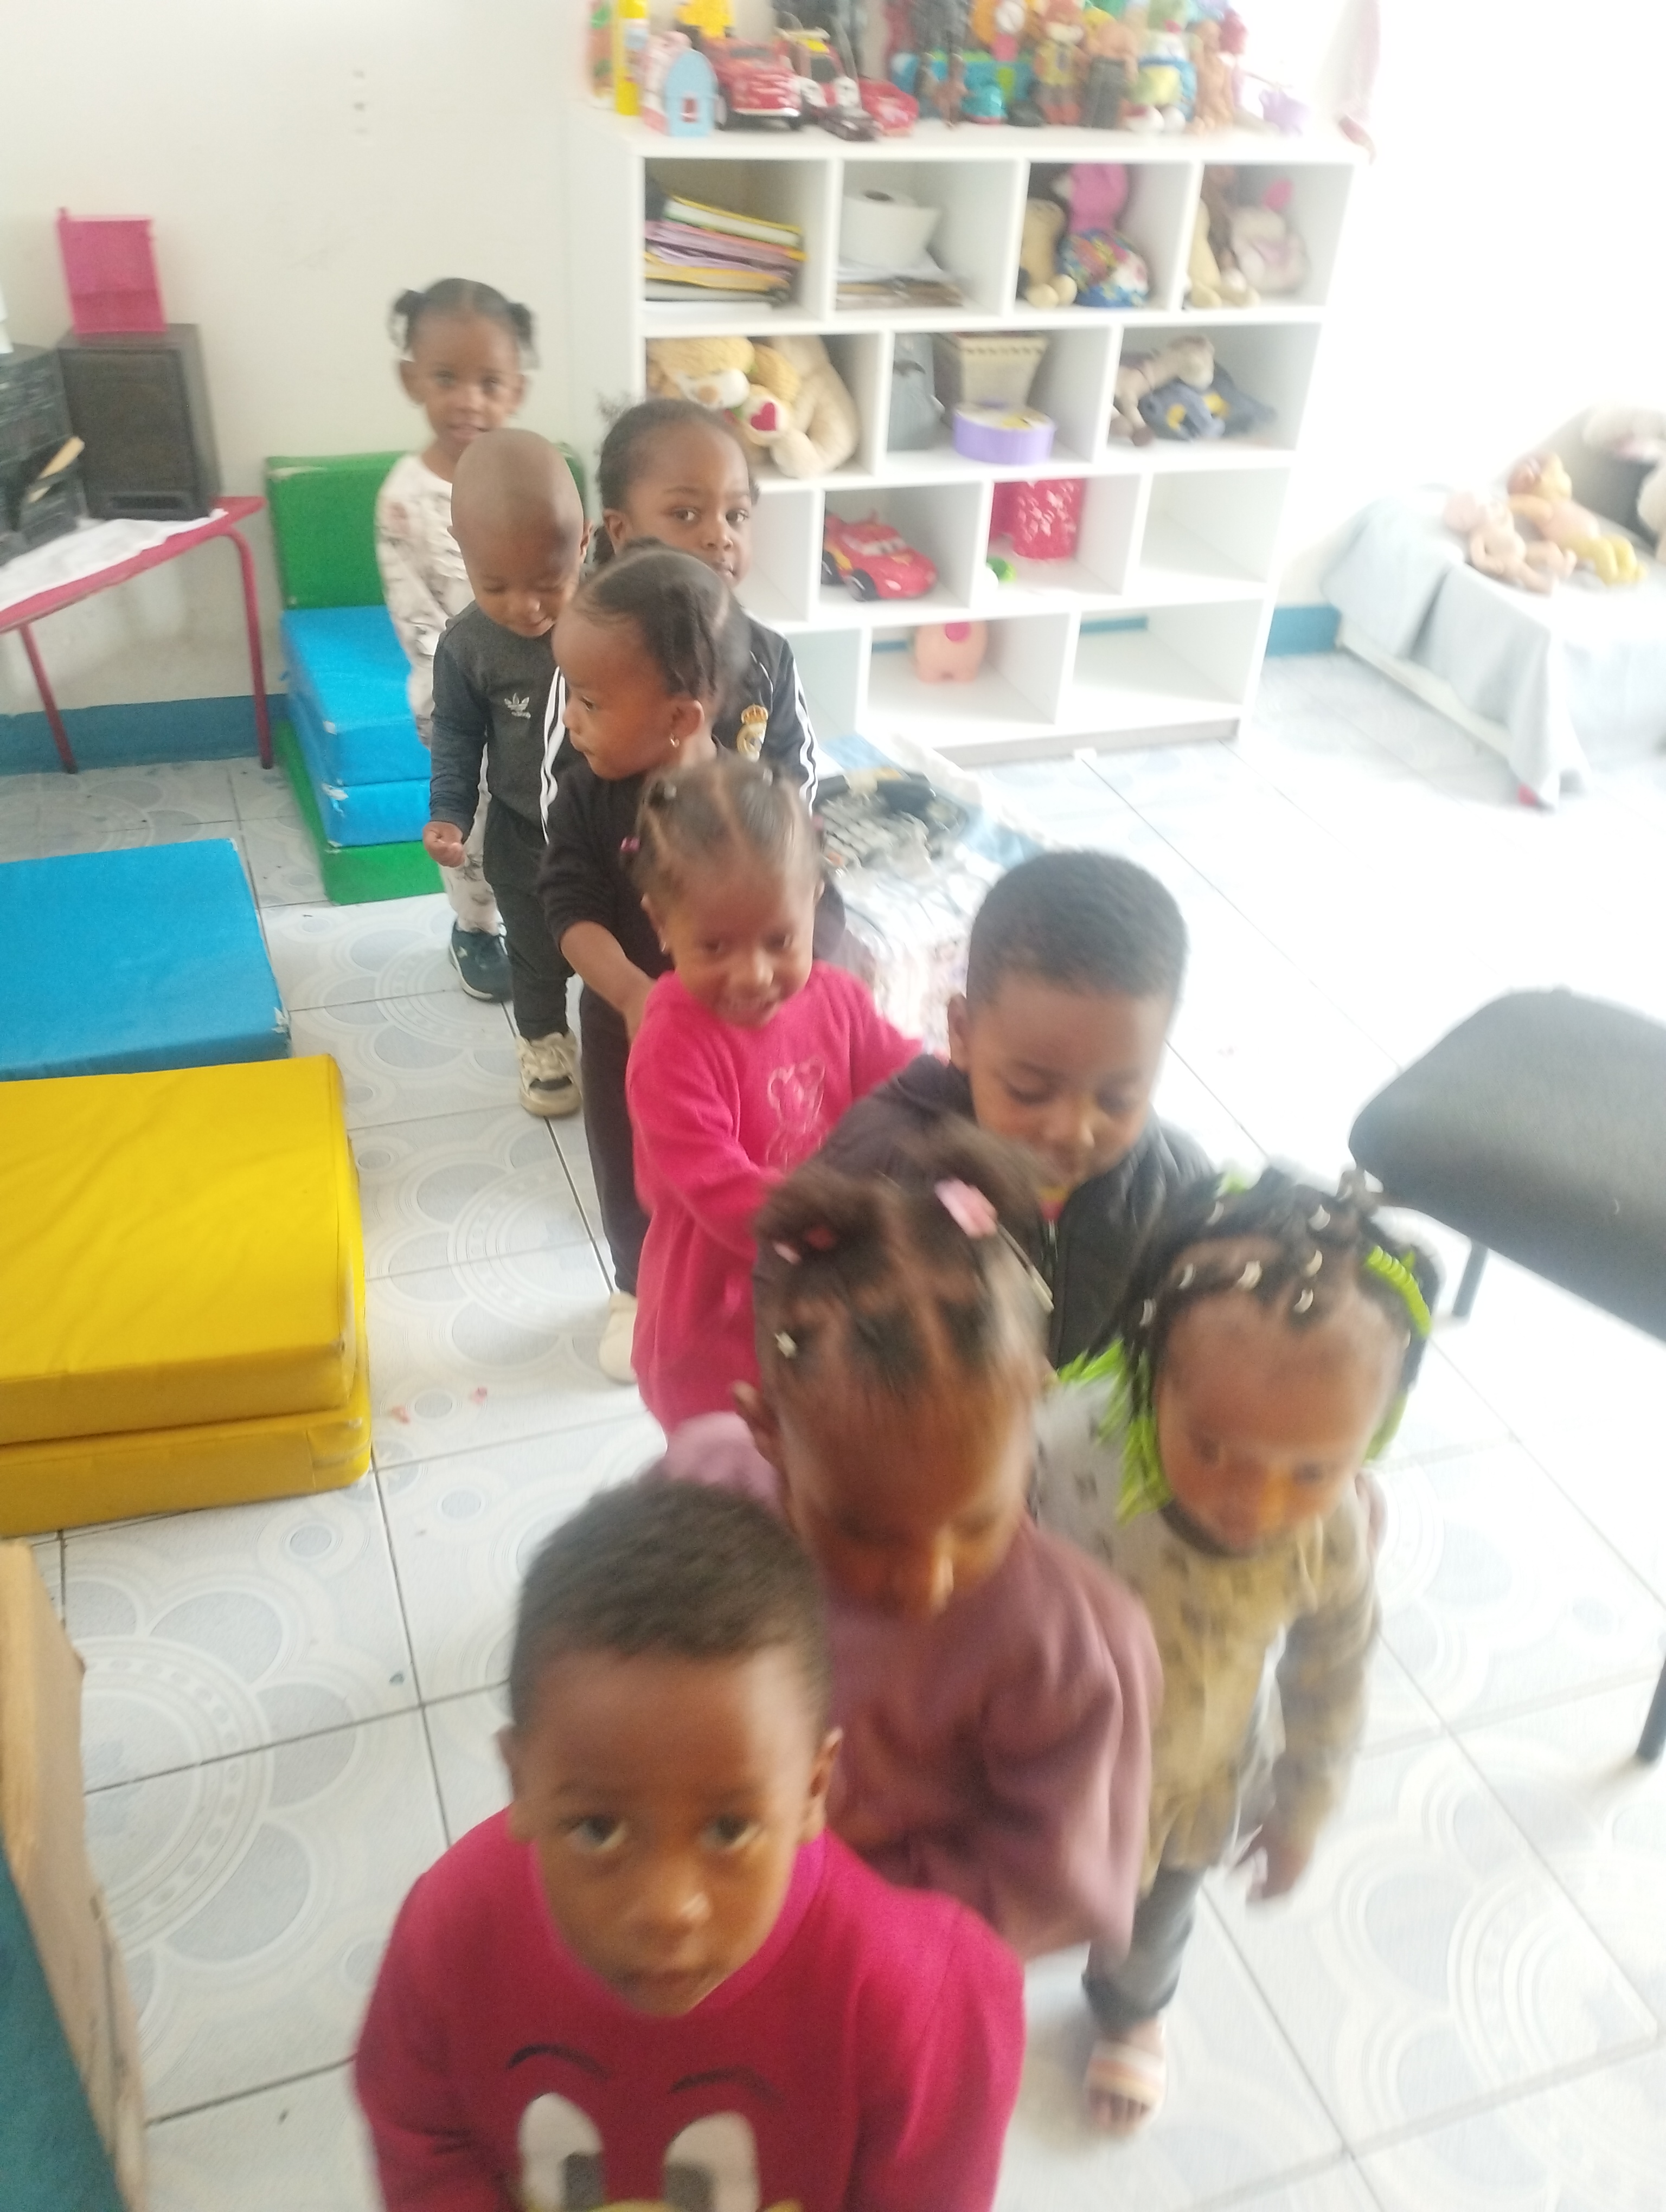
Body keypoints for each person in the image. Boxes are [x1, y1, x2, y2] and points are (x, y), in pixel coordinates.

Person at [355, 1480, 1024, 2212]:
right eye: (599, 1829)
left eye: (729, 1829)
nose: (668, 1908)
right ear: (522, 1784)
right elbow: (421, 2135)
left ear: (813, 1788)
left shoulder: (911, 2001)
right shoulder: (452, 1933)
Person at [657, 1129, 1161, 1964]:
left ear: (1032, 1413)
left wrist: (826, 1902)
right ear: (767, 1430)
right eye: (863, 1531)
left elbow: (1054, 1883)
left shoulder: (1074, 1648)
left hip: (882, 1964)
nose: (927, 1581)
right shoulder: (701, 1495)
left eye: (977, 1521)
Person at [1033, 1168, 1440, 2134]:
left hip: (1190, 1775)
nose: (1252, 1503)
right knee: (1003, 1898)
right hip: (1044, 1753)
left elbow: (1332, 1673)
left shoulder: (1328, 1535)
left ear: (1371, 1438)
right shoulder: (1068, 1448)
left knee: (1154, 1923)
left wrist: (1303, 1805)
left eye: (1313, 1467)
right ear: (1148, 1376)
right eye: (1212, 1447)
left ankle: (1133, 2010)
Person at [540, 547, 838, 1386]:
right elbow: (567, 907)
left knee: (742, 1163)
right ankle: (637, 1290)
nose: (573, 722)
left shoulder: (756, 801)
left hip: (742, 1037)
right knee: (634, 1168)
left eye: (591, 702)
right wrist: (632, 994)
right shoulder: (587, 796)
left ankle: (749, 1286)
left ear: (679, 717)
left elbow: (816, 899)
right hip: (626, 1032)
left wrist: (802, 986)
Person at [822, 848, 1212, 1367]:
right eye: (1030, 1090)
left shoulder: (1175, 1184)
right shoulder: (881, 1163)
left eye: (1118, 1098)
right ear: (962, 1033)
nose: (1074, 1131)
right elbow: (795, 1300)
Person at [626, 755, 915, 1431]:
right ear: (662, 923)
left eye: (779, 940)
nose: (754, 974)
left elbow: (908, 1085)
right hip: (717, 1334)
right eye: (715, 946)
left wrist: (971, 1095)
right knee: (728, 1477)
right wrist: (863, 1220)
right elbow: (725, 1195)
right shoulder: (670, 1048)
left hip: (827, 1307)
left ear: (814, 899)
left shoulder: (839, 999)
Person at [537, 396, 819, 826]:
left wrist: (779, 848)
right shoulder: (593, 654)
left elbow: (796, 775)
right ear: (621, 531)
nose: (720, 535)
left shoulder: (769, 655)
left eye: (736, 514)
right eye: (686, 514)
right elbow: (562, 807)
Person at [377, 278, 535, 1005]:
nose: (468, 400)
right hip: (458, 699)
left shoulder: (527, 476)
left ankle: (538, 911)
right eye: (447, 379)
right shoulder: (404, 501)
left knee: (533, 811)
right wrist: (465, 688)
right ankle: (475, 927)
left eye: (489, 383)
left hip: (534, 687)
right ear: (412, 379)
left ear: (517, 390)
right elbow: (415, 616)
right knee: (469, 823)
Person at [426, 430, 586, 1117]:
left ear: (584, 546)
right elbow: (458, 733)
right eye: (496, 586)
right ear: (462, 553)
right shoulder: (468, 646)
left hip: (615, 830)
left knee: (623, 945)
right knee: (535, 953)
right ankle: (545, 1042)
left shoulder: (615, 620)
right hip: (525, 836)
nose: (527, 606)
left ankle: (631, 1035)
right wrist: (450, 811)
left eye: (550, 582)